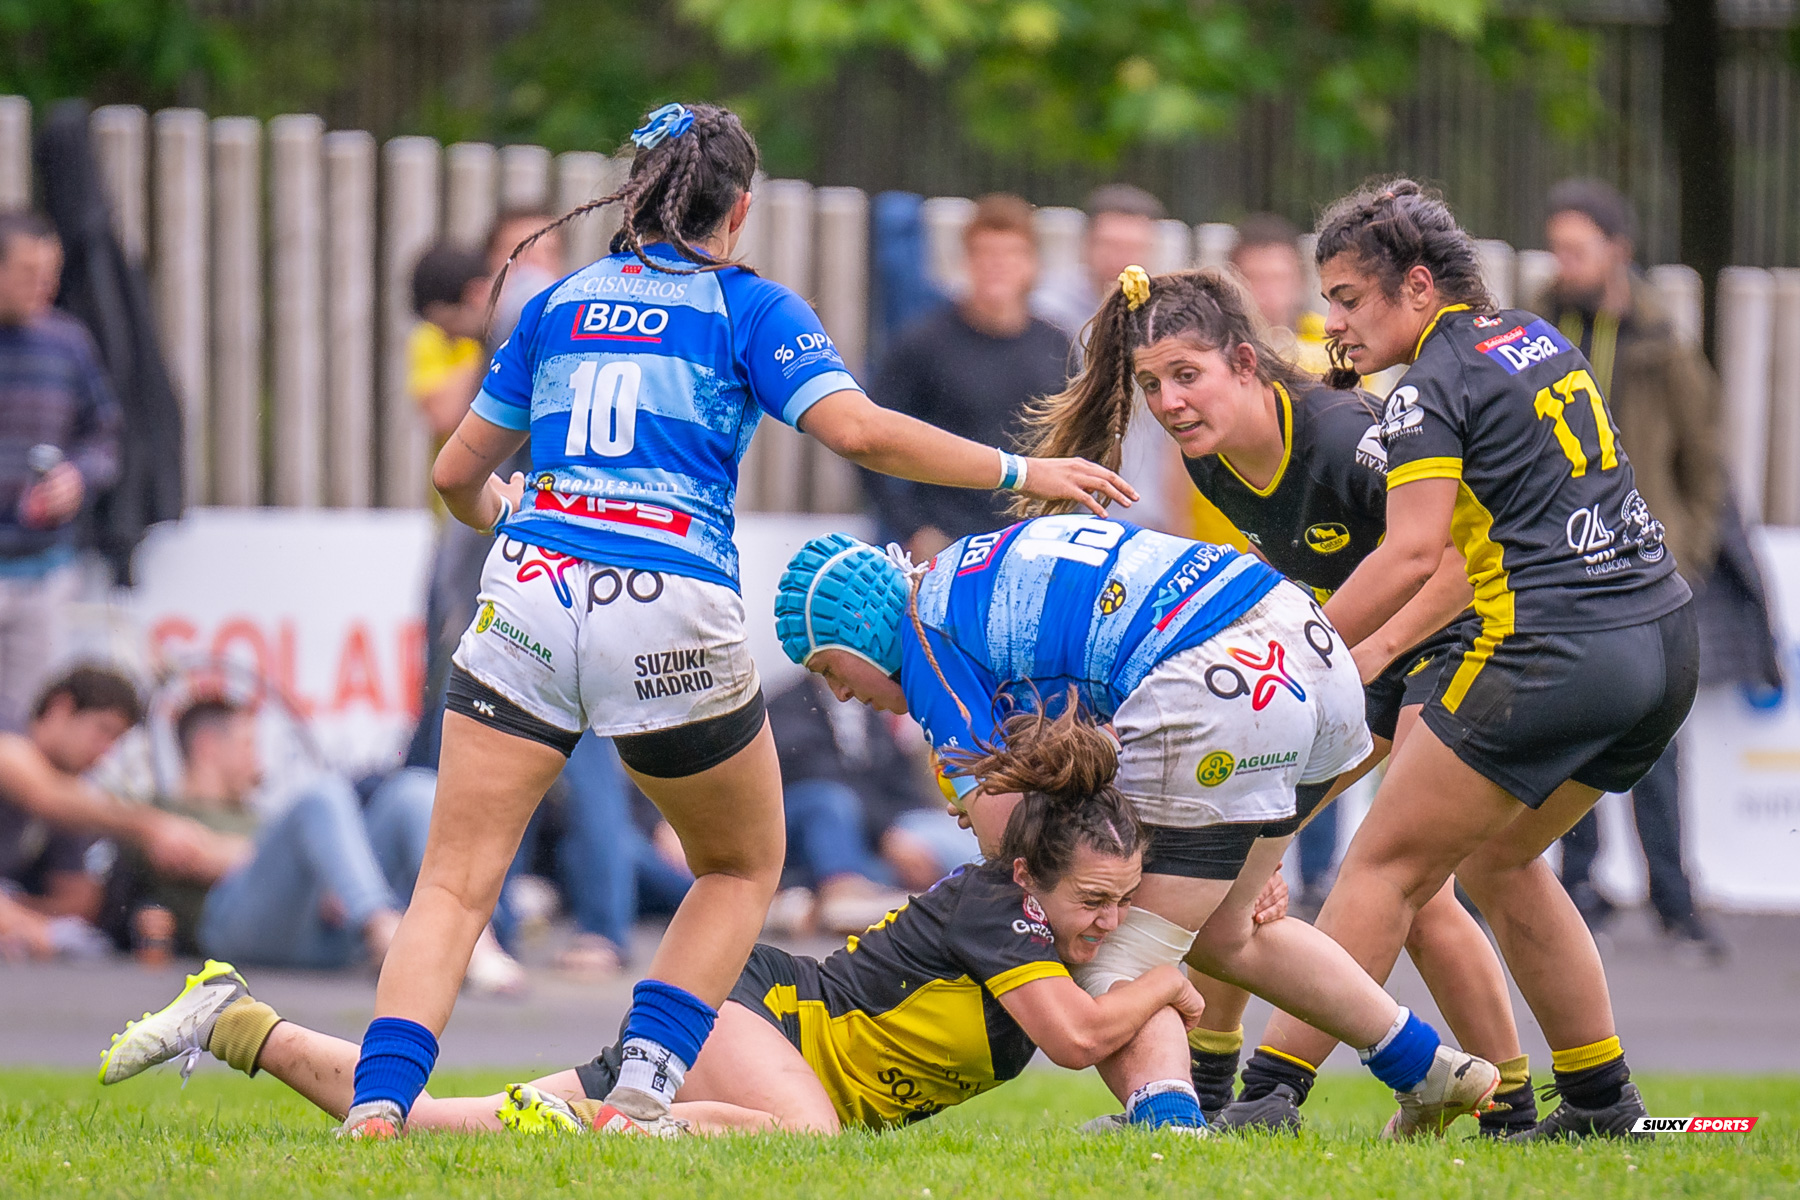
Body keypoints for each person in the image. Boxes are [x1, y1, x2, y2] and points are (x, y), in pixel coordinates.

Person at [340, 100, 1136, 1139]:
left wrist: (516, 530)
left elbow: (454, 474)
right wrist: (1021, 467)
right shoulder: (749, 307)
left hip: (531, 592)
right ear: (741, 209)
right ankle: (644, 1093)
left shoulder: (557, 302)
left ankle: (376, 1110)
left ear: (634, 196)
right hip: (667, 602)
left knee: (451, 883)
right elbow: (858, 431)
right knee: (738, 867)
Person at [104, 706, 1215, 1137]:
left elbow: (1107, 977)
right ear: (1032, 883)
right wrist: (1165, 979)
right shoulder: (1001, 914)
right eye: (1094, 906)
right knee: (810, 1145)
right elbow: (1077, 1043)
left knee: (447, 1126)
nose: (1106, 926)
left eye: (1124, 905)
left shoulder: (1050, 917)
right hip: (751, 1017)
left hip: (748, 1033)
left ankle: (237, 1026)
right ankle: (640, 1133)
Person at [1015, 262, 1538, 1136]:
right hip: (1346, 668)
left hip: (1455, 643)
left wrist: (1354, 652)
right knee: (1225, 876)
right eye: (1151, 384)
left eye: (1188, 375)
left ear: (1248, 364)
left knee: (1412, 884)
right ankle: (1229, 1094)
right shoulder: (1214, 462)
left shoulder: (1337, 436)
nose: (1170, 401)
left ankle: (1507, 1106)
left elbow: (1458, 559)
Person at [776, 518, 1501, 1138]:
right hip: (1309, 654)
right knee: (1230, 931)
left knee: (1099, 938)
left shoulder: (922, 637)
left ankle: (1168, 1129)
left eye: (832, 668)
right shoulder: (962, 575)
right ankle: (1428, 1069)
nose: (840, 692)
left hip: (1220, 682)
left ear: (862, 633)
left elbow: (1014, 853)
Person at [1248, 179, 1697, 1141]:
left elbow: (1411, 554)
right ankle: (1598, 1105)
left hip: (1560, 650)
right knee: (1501, 859)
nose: (1334, 323)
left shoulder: (1425, 388)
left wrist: (1293, 643)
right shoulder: (1535, 336)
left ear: (1417, 287)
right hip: (1661, 640)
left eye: (1349, 298)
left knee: (1382, 868)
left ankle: (1267, 1097)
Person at [1536, 178, 1732, 958]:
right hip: (1558, 566)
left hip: (1647, 573)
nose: (1563, 261)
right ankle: (1577, 889)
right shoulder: (1539, 327)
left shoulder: (1661, 339)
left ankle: (1674, 896)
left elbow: (1704, 458)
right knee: (1565, 732)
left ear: (1618, 250)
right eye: (1557, 247)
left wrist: (1687, 549)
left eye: (1576, 247)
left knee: (1654, 743)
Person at [95, 696, 522, 984]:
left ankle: (473, 941)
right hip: (233, 931)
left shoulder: (255, 813)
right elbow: (188, 856)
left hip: (323, 930)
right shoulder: (164, 812)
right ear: (208, 745)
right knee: (323, 795)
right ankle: (382, 930)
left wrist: (331, 871)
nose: (258, 760)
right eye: (248, 744)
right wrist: (323, 868)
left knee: (412, 790)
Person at [865, 193, 1074, 560]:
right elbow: (869, 437)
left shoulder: (1057, 347)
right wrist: (912, 528)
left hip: (1032, 546)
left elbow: (1081, 444)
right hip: (946, 547)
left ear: (1031, 264)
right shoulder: (923, 343)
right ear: (967, 261)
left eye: (1010, 256)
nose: (997, 267)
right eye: (986, 255)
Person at [0, 211, 122, 731]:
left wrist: (78, 475)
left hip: (43, 568)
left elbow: (106, 436)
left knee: (26, 728)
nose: (43, 285)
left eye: (51, 272)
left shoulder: (68, 343)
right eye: (28, 272)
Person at [1032, 184, 1191, 538]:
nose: (1124, 258)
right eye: (1112, 245)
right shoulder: (1045, 314)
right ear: (1086, 245)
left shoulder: (1166, 315)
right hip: (1064, 512)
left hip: (1146, 513)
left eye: (1134, 247)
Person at [768, 673, 969, 932]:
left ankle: (982, 888)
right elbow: (814, 772)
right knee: (830, 801)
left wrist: (914, 834)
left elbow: (899, 781)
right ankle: (842, 890)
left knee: (943, 828)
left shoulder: (869, 712)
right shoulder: (787, 708)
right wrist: (886, 833)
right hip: (809, 828)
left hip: (868, 837)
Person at [0, 665, 145, 957]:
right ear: (61, 706)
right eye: (103, 730)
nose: (105, 750)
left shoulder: (70, 791)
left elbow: (77, 901)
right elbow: (43, 794)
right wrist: (152, 827)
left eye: (116, 740)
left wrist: (18, 913)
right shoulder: (9, 733)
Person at [1230, 214, 1332, 377]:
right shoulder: (1217, 348)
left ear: (1301, 281)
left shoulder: (1333, 339)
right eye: (1254, 278)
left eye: (1278, 278)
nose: (1267, 290)